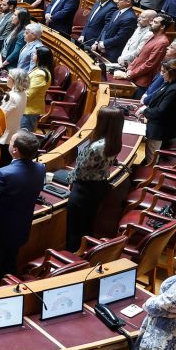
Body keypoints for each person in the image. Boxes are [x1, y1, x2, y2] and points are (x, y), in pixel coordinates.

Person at [0, 130, 46, 287]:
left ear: (15, 150)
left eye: (11, 142)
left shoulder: (2, 174)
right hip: (20, 229)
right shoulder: (40, 169)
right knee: (9, 267)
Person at [64, 107, 124, 252]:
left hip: (83, 189)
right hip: (99, 186)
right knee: (88, 223)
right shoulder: (115, 140)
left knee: (74, 229)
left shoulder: (97, 147)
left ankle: (71, 258)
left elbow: (80, 169)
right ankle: (85, 253)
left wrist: (69, 182)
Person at [141, 59, 176, 158]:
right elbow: (156, 98)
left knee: (151, 158)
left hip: (160, 129)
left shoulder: (175, 89)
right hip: (157, 122)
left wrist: (145, 111)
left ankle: (150, 170)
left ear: (172, 72)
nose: (161, 75)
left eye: (163, 72)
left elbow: (160, 111)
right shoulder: (169, 83)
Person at [117, 15, 171, 96]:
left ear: (162, 27)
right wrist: (130, 68)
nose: (151, 23)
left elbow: (150, 64)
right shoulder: (152, 36)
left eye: (155, 22)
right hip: (134, 75)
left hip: (142, 81)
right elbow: (139, 55)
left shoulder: (162, 42)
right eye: (152, 21)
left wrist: (131, 73)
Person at [0, 69, 27, 166]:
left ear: (15, 80)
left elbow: (0, 116)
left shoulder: (11, 96)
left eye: (9, 77)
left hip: (4, 136)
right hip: (13, 133)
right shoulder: (23, 93)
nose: (6, 78)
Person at [21, 45, 53, 132]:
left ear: (40, 57)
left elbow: (28, 94)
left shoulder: (40, 74)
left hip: (29, 110)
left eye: (35, 54)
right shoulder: (38, 69)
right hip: (26, 107)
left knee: (23, 136)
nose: (33, 55)